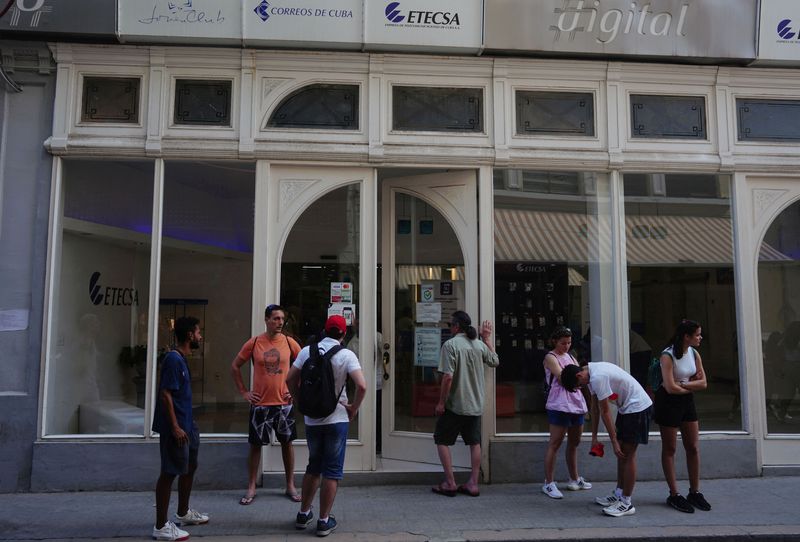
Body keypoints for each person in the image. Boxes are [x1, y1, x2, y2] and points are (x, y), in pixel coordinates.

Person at [286, 315, 367, 537]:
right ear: (343, 333)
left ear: (325, 330)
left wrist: (298, 400)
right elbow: (362, 385)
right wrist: (353, 408)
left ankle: (303, 514)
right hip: (337, 419)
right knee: (332, 471)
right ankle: (323, 521)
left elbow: (289, 379)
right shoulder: (346, 354)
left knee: (314, 466)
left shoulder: (307, 351)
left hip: (313, 420)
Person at [231, 304, 302, 505]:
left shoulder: (289, 343)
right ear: (266, 320)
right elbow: (235, 366)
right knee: (255, 446)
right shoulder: (254, 343)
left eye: (282, 319)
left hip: (284, 404)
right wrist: (244, 392)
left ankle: (290, 484)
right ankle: (252, 486)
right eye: (276, 318)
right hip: (261, 404)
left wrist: (295, 390)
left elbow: (305, 365)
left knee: (287, 445)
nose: (280, 322)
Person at [561, 360, 653, 517]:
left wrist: (614, 441)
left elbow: (605, 411)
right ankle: (618, 494)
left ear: (579, 375)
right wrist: (594, 437)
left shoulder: (597, 377)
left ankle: (626, 502)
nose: (581, 387)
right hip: (627, 408)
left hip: (638, 408)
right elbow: (595, 409)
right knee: (621, 455)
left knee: (628, 455)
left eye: (579, 385)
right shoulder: (589, 373)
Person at [152, 316, 209, 541]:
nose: (200, 336)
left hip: (187, 425)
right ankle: (161, 526)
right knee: (169, 472)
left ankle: (183, 512)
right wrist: (175, 426)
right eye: (198, 332)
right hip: (175, 427)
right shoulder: (173, 359)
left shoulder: (182, 359)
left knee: (190, 465)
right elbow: (165, 393)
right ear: (189, 335)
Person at [431, 311, 499, 498]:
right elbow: (495, 361)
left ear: (455, 327)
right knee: (474, 442)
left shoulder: (450, 345)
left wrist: (441, 402)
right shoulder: (478, 345)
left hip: (455, 404)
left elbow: (448, 377)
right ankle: (473, 483)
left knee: (442, 439)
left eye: (450, 325)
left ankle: (450, 482)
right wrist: (487, 339)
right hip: (475, 404)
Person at [655, 319, 711, 513]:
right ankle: (674, 494)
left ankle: (694, 491)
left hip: (686, 400)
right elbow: (669, 388)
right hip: (668, 403)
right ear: (686, 336)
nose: (700, 338)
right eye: (697, 335)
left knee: (693, 447)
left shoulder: (694, 353)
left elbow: (704, 383)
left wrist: (684, 385)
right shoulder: (667, 355)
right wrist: (689, 384)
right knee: (670, 448)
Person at [541, 327, 591, 499]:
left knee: (574, 442)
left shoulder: (570, 356)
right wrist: (576, 379)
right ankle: (549, 482)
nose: (567, 346)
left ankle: (574, 478)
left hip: (576, 402)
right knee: (555, 443)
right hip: (559, 403)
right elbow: (563, 376)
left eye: (569, 342)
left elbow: (578, 376)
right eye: (563, 343)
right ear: (555, 341)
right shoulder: (550, 357)